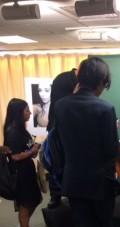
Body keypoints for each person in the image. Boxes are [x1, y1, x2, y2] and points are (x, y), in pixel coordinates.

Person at [54, 57, 120, 227]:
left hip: (73, 182)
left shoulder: (61, 106)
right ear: (102, 81)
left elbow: (59, 146)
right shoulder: (106, 108)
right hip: (101, 183)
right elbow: (113, 151)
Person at [4, 98, 42, 227]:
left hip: (27, 170)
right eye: (27, 111)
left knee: (34, 199)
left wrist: (33, 150)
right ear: (18, 113)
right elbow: (15, 156)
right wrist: (32, 150)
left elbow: (25, 150)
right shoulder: (12, 132)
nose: (30, 113)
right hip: (20, 173)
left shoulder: (21, 130)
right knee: (25, 203)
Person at [46, 69, 78, 209]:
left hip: (69, 129)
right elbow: (63, 106)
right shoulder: (63, 80)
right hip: (57, 129)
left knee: (70, 164)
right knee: (57, 163)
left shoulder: (72, 80)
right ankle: (56, 196)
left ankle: (70, 195)